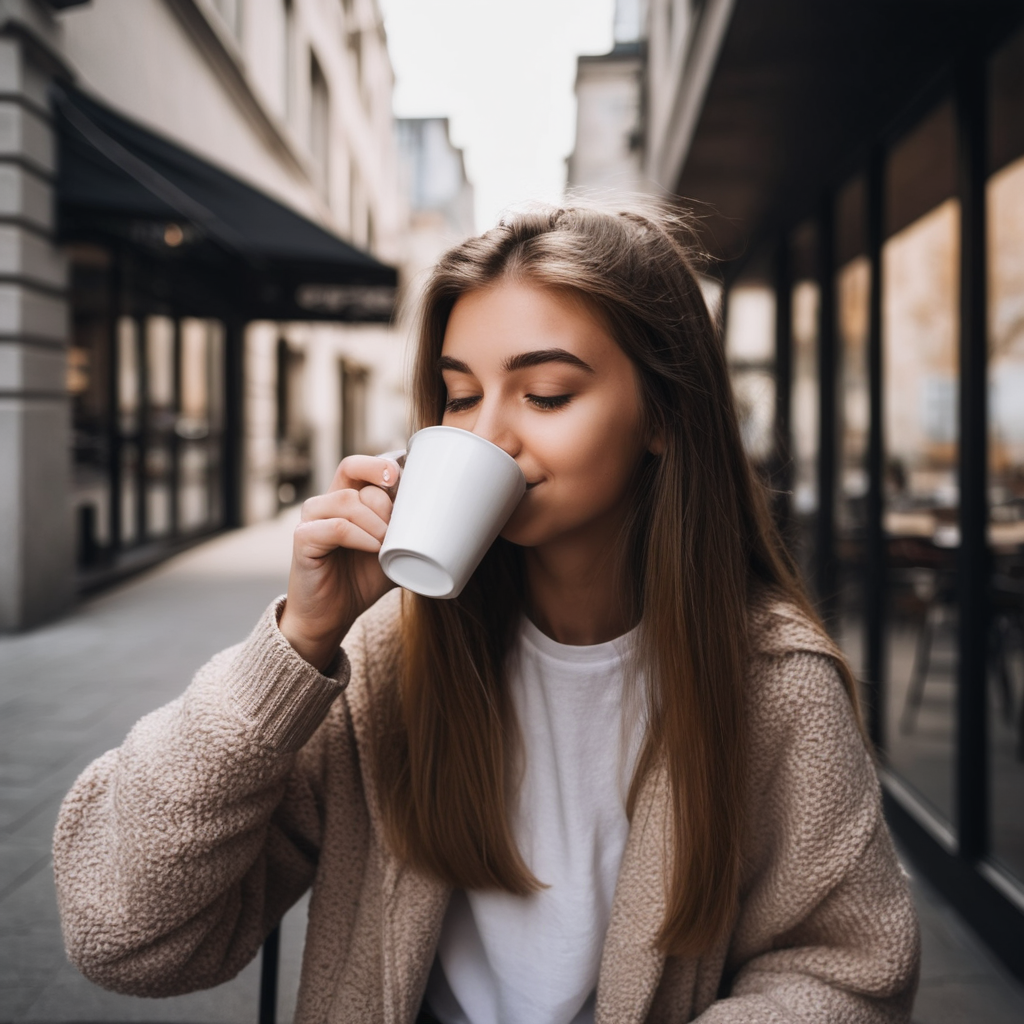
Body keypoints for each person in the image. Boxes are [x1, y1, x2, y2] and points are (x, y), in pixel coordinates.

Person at [54, 204, 920, 1024]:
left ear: (663, 412)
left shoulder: (772, 682)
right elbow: (124, 935)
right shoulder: (385, 660)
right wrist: (295, 644)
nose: (486, 436)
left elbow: (844, 970)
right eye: (460, 396)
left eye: (544, 394)